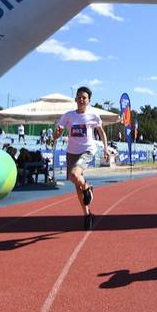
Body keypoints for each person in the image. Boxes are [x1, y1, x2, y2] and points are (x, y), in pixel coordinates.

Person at [54, 87, 112, 230]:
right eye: (79, 97)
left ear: (89, 100)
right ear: (75, 99)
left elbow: (102, 133)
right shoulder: (68, 115)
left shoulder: (93, 115)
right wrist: (58, 133)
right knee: (76, 184)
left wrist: (105, 148)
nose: (81, 100)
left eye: (84, 97)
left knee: (74, 175)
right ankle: (87, 214)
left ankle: (87, 187)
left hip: (87, 150)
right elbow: (56, 136)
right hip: (71, 152)